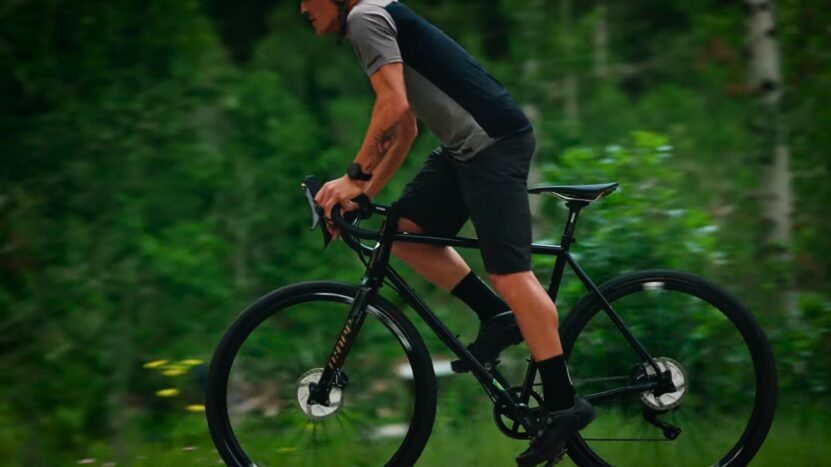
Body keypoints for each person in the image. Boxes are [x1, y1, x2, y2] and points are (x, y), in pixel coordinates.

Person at [301, 0, 594, 464]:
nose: (301, 7)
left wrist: (355, 176)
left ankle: (564, 404)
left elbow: (393, 104)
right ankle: (498, 317)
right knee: (403, 233)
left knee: (511, 275)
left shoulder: (364, 18)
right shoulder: (371, 20)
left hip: (493, 146)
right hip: (463, 150)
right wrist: (364, 191)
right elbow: (405, 128)